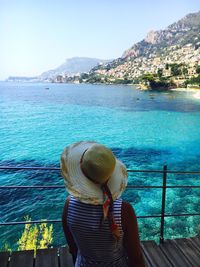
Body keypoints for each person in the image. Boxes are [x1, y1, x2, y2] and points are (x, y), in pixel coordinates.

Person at [61, 141, 146, 267]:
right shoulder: (124, 210)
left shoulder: (69, 205)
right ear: (110, 175)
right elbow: (136, 257)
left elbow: (73, 248)